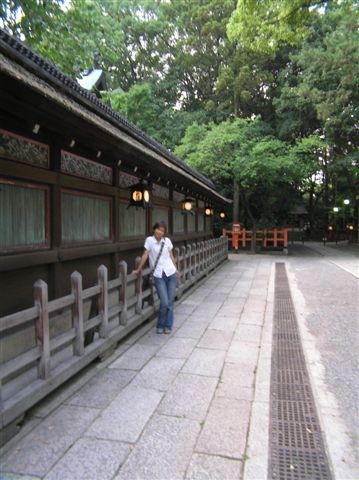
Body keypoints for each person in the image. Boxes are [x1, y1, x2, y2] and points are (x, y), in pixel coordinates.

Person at [133, 221, 179, 334]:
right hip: (158, 275)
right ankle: (160, 323)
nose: (160, 232)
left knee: (170, 301)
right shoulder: (149, 241)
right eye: (158, 229)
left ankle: (168, 325)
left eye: (162, 230)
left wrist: (176, 269)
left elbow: (171, 256)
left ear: (164, 232)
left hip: (170, 273)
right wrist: (138, 269)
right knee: (164, 301)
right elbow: (145, 254)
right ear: (154, 229)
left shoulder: (167, 241)